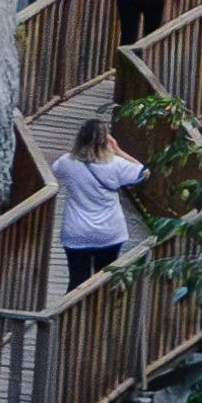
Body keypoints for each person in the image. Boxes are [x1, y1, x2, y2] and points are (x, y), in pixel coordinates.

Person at [50, 116, 147, 291]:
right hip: (109, 232)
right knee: (104, 281)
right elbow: (143, 172)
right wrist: (118, 150)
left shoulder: (67, 162)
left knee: (77, 282)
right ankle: (97, 316)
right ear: (106, 141)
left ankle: (71, 317)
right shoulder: (117, 165)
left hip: (77, 231)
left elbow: (56, 171)